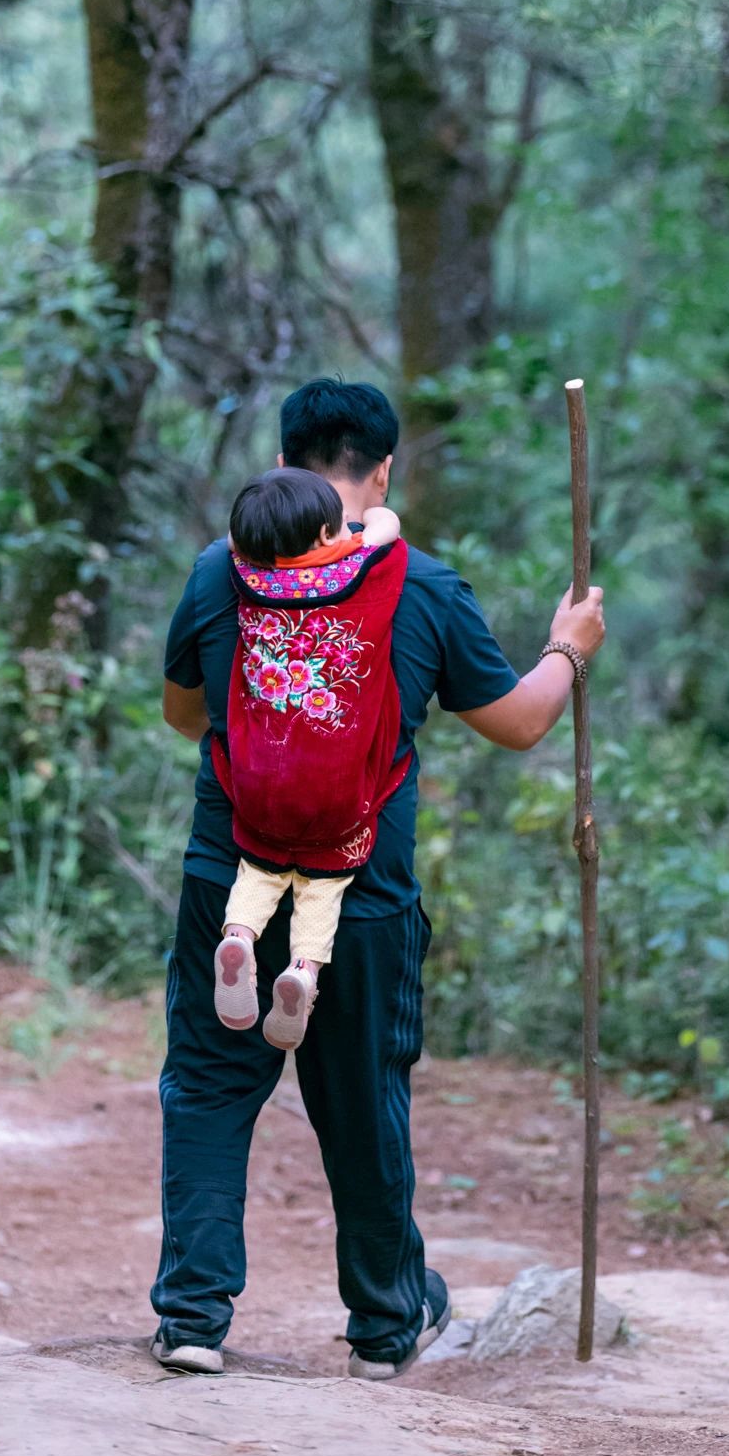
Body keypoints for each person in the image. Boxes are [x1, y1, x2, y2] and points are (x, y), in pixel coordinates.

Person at [153, 378, 605, 1380]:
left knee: (209, 1088)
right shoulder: (422, 586)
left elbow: (185, 717)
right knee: (362, 1100)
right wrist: (567, 650)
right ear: (383, 471)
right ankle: (385, 1326)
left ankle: (191, 1318)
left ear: (282, 461)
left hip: (228, 878)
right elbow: (517, 723)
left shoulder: (219, 571)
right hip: (362, 894)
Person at [215, 467, 407, 1050]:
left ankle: (239, 937)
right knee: (324, 886)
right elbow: (386, 526)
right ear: (327, 535)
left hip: (259, 783)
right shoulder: (368, 574)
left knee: (258, 868)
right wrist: (358, 526)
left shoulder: (246, 576)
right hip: (335, 792)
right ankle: (303, 971)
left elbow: (236, 539)